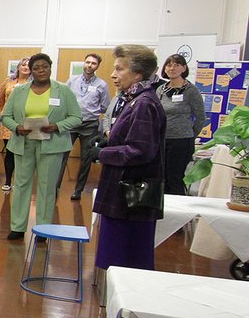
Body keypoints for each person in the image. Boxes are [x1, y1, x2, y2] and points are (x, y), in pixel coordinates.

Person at [93, 45, 166, 272]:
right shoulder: (135, 99)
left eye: (119, 69)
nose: (113, 75)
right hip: (125, 192)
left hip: (130, 196)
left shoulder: (144, 103)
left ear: (138, 74)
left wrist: (103, 153)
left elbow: (141, 151)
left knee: (125, 261)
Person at [0, 53, 82, 240]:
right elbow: (6, 116)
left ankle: (43, 229)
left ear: (50, 68)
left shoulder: (63, 91)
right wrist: (17, 128)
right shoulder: (20, 91)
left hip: (51, 144)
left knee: (47, 186)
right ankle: (18, 227)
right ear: (31, 70)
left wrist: (57, 126)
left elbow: (76, 117)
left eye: (44, 66)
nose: (41, 70)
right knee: (21, 185)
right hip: (24, 143)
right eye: (36, 68)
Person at [60, 52, 111, 200]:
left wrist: (91, 111)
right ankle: (54, 188)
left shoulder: (101, 85)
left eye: (93, 63)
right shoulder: (72, 80)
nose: (90, 65)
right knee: (62, 155)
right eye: (88, 62)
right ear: (84, 63)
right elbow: (64, 99)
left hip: (89, 125)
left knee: (86, 158)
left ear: (97, 66)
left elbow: (105, 106)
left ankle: (78, 190)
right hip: (72, 123)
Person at [157, 53, 207, 195]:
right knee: (162, 178)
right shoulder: (160, 90)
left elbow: (201, 117)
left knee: (175, 179)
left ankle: (178, 213)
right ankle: (163, 213)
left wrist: (190, 135)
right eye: (169, 64)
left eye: (177, 65)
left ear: (184, 68)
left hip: (181, 141)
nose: (172, 68)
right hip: (162, 140)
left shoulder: (191, 90)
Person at [0, 58, 31, 192]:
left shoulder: (33, 83)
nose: (25, 67)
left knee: (23, 153)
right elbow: (1, 100)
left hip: (25, 122)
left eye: (28, 65)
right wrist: (5, 114)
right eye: (23, 64)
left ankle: (19, 181)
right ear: (18, 67)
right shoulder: (8, 81)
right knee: (9, 152)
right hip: (9, 122)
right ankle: (7, 180)